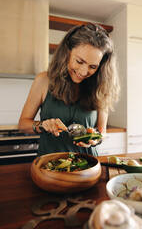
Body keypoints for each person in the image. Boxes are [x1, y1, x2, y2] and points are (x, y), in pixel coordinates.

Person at [18, 23, 120, 156]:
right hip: (50, 165)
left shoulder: (100, 86)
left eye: (93, 67)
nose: (84, 72)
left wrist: (95, 140)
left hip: (88, 165)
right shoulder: (43, 80)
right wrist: (42, 125)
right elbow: (22, 124)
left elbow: (102, 131)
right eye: (79, 61)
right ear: (67, 52)